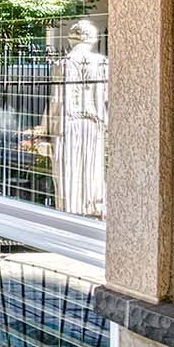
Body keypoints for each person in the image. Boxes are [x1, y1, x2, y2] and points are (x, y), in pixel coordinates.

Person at [56, 18, 108, 218]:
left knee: (69, 171)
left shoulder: (63, 64)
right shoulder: (102, 63)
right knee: (92, 169)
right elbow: (106, 98)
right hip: (94, 123)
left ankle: (71, 213)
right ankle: (91, 209)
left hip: (69, 123)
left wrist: (46, 128)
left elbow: (57, 101)